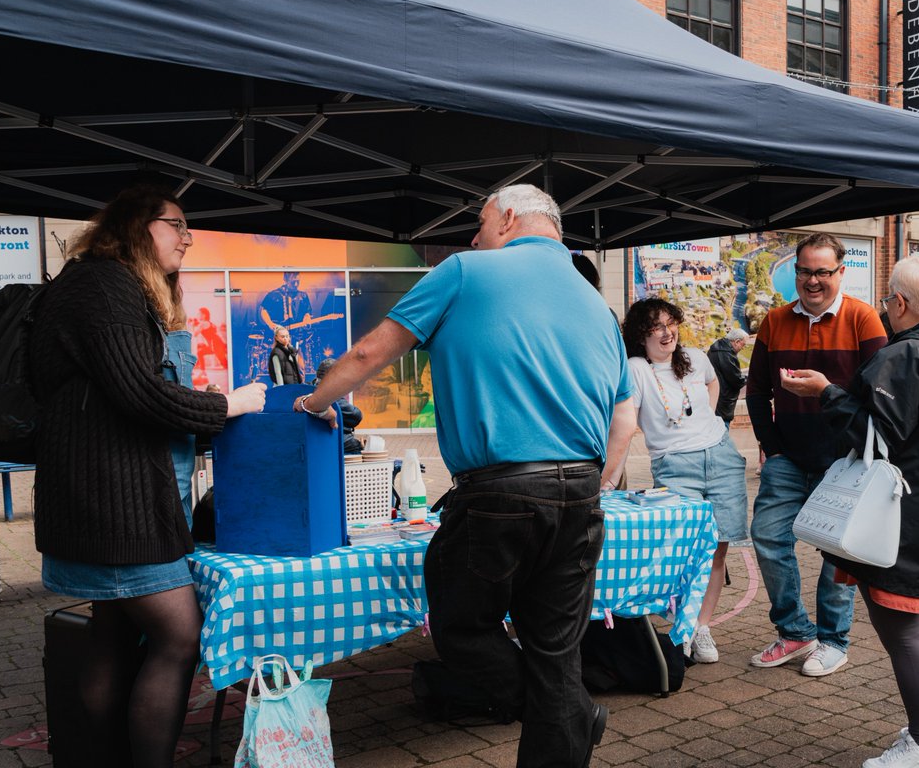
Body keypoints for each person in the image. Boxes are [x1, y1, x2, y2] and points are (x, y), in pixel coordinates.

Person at [295, 184, 635, 768]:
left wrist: (311, 403)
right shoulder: (595, 304)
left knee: (458, 628)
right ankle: (568, 711)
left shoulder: (465, 270)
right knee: (556, 655)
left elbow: (370, 353)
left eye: (479, 223)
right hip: (579, 491)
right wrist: (594, 480)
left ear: (507, 217)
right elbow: (625, 415)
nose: (474, 237)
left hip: (500, 489)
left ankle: (572, 711)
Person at [28, 185, 267, 767]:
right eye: (176, 224)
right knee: (177, 638)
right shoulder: (104, 284)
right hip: (117, 504)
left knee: (113, 635)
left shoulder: (105, 287)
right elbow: (139, 395)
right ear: (136, 227)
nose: (187, 236)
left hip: (105, 497)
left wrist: (197, 410)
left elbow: (127, 390)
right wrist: (227, 406)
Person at [782, 255, 919, 768]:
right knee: (904, 628)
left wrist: (823, 392)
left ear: (899, 302)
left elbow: (874, 436)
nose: (885, 307)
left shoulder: (910, 354)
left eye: (888, 299)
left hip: (899, 517)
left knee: (903, 632)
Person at [746, 232, 887, 676]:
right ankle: (794, 631)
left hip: (844, 461)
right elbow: (756, 391)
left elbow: (878, 397)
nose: (811, 281)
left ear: (840, 273)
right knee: (768, 538)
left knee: (836, 551)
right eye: (804, 271)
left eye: (822, 272)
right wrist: (772, 445)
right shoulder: (773, 321)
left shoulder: (864, 320)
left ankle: (833, 640)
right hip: (788, 456)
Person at [609, 298, 748, 665]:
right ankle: (681, 625)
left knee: (718, 547)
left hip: (721, 456)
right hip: (673, 465)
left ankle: (700, 627)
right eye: (657, 326)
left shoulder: (697, 357)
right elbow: (625, 425)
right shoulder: (636, 368)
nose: (668, 332)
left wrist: (710, 423)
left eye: (672, 323)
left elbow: (713, 382)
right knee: (686, 549)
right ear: (641, 334)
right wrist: (609, 479)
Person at [314, 357, 363, 454]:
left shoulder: (307, 389)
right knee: (355, 445)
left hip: (314, 439)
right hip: (331, 440)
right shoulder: (330, 394)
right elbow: (356, 416)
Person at [708, 326, 749, 425]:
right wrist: (749, 378)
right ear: (737, 341)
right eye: (743, 345)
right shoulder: (727, 354)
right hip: (723, 402)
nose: (742, 348)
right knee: (722, 432)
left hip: (713, 399)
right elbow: (736, 380)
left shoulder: (715, 349)